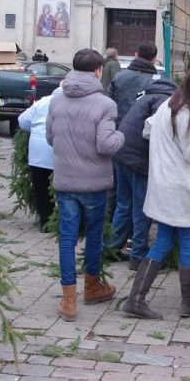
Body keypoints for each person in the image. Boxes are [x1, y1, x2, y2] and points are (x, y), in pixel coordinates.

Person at [123, 66, 190, 320]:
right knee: (187, 241)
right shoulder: (185, 112)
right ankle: (187, 303)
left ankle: (136, 300)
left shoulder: (170, 104)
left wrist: (165, 147)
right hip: (179, 188)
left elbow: (147, 129)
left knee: (164, 241)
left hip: (164, 185)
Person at [45, 49, 124, 321]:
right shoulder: (105, 104)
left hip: (65, 181)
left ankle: (69, 300)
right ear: (98, 70)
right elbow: (106, 144)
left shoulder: (57, 100)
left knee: (66, 240)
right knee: (94, 236)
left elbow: (50, 138)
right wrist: (121, 136)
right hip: (94, 184)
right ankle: (92, 286)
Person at [109, 77, 177, 270]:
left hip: (121, 153)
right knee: (142, 209)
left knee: (123, 204)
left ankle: (112, 248)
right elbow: (156, 130)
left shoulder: (146, 97)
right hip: (138, 160)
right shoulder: (164, 101)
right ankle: (138, 255)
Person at [17, 86, 62, 231]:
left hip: (38, 152)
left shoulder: (43, 101)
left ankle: (45, 222)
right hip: (61, 151)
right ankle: (62, 220)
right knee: (63, 188)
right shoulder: (72, 103)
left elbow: (23, 120)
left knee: (41, 187)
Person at [108, 42, 159, 122]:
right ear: (154, 59)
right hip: (143, 130)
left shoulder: (119, 76)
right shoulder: (157, 82)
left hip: (119, 127)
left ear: (136, 55)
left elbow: (109, 103)